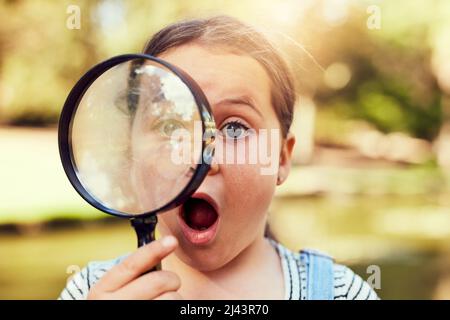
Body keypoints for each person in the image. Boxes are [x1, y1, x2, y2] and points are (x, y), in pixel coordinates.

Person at [59, 15, 379, 300]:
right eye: (170, 125)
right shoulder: (90, 289)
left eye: (235, 129)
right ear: (134, 158)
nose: (201, 160)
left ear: (281, 159)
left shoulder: (341, 292)